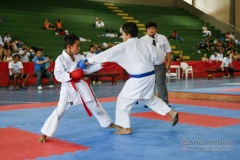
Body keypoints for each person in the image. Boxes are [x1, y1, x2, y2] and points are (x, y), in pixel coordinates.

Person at [79, 22, 179, 135]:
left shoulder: (124, 46)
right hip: (150, 75)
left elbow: (106, 54)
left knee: (123, 101)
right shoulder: (145, 43)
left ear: (128, 35)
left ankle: (125, 127)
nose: (122, 37)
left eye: (122, 34)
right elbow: (160, 57)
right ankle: (171, 112)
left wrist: (88, 61)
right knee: (149, 98)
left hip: (139, 78)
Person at [38, 34, 119, 143]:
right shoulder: (60, 59)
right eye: (77, 46)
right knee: (60, 111)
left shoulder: (79, 57)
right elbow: (58, 76)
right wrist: (71, 75)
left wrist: (101, 65)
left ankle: (107, 123)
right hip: (68, 88)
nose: (79, 48)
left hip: (81, 85)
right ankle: (44, 133)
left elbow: (87, 69)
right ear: (69, 47)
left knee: (95, 105)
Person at [141, 21, 172, 106]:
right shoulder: (142, 40)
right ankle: (149, 102)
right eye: (149, 28)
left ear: (156, 29)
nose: (151, 30)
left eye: (153, 28)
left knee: (161, 83)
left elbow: (168, 51)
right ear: (146, 30)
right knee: (149, 84)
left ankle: (164, 102)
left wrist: (168, 63)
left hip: (160, 65)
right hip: (148, 66)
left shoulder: (162, 38)